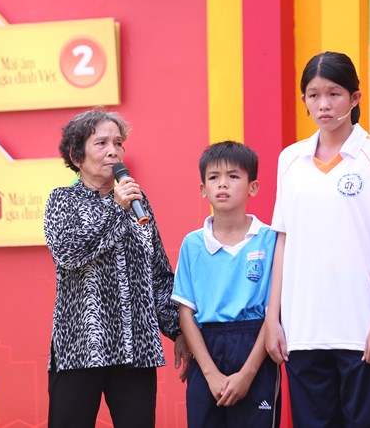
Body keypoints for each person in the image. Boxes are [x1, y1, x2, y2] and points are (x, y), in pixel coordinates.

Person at [263, 51, 370, 427]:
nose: (323, 104)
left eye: (334, 94)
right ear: (304, 100)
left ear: (355, 98)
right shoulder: (290, 159)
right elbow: (283, 242)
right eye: (314, 95)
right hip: (303, 333)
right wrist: (273, 318)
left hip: (361, 332)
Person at [43, 108, 190, 428]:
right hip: (81, 348)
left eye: (118, 143)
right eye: (101, 143)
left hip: (136, 348)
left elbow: (158, 273)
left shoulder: (138, 200)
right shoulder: (62, 200)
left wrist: (178, 330)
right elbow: (69, 254)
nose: (113, 150)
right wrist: (115, 207)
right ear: (76, 155)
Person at [172, 141, 280, 428]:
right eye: (214, 177)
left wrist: (247, 374)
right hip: (206, 348)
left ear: (253, 187)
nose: (222, 184)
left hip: (255, 343)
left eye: (233, 176)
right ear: (203, 189)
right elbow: (186, 313)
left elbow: (274, 312)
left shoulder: (270, 239)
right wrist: (210, 374)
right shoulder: (192, 244)